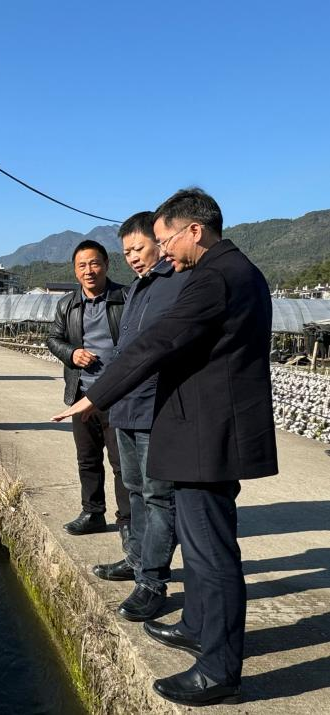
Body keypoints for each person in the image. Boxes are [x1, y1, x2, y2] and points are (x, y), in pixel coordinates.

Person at [53, 188, 278, 706]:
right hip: (203, 429)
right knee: (200, 549)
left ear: (193, 230)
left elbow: (157, 342)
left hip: (207, 433)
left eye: (165, 240)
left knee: (211, 552)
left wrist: (93, 400)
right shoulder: (232, 270)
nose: (162, 251)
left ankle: (219, 669)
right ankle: (198, 624)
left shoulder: (213, 277)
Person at [90, 211, 190, 626]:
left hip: (157, 409)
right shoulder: (138, 289)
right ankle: (135, 561)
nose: (132, 257)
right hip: (126, 407)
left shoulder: (178, 283)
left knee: (158, 496)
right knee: (133, 488)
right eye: (126, 250)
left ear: (161, 242)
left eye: (138, 248)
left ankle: (153, 583)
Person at [46, 240, 131, 542]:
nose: (89, 271)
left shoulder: (126, 298)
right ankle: (93, 513)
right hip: (82, 395)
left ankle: (128, 524)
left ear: (107, 264)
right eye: (82, 265)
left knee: (123, 464)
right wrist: (72, 353)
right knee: (87, 459)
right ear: (75, 270)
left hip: (119, 397)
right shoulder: (66, 304)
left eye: (94, 263)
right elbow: (53, 338)